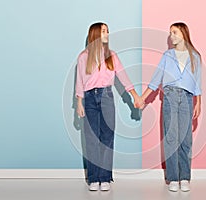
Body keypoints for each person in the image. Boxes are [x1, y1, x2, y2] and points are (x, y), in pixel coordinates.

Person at [75, 22, 143, 191]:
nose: (107, 34)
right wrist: (79, 103)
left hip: (107, 96)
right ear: (95, 34)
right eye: (104, 31)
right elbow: (80, 81)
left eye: (107, 31)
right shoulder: (84, 56)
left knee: (107, 137)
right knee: (91, 138)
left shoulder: (111, 56)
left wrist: (135, 96)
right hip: (90, 98)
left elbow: (123, 77)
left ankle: (104, 177)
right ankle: (93, 178)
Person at [141, 22, 202, 192]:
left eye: (174, 32)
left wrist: (198, 103)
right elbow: (156, 79)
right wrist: (142, 99)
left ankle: (185, 177)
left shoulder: (195, 56)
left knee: (185, 138)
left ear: (183, 33)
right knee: (171, 137)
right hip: (170, 96)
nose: (171, 36)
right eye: (170, 33)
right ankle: (173, 177)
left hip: (188, 98)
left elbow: (197, 82)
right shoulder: (168, 55)